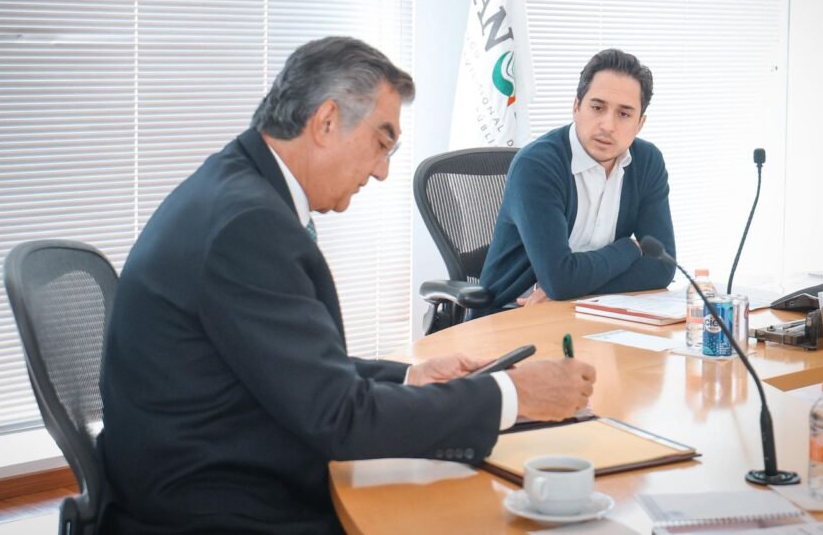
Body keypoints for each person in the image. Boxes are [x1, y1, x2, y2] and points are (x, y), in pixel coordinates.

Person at [99, 37, 597, 534]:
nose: (382, 171)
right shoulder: (248, 226)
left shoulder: (236, 189)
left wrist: (411, 377)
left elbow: (290, 366)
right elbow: (339, 417)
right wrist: (513, 393)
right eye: (381, 143)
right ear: (326, 121)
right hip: (218, 507)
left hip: (209, 464)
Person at [476, 48, 675, 319]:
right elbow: (559, 278)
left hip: (589, 312)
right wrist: (628, 249)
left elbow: (662, 268)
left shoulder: (647, 162)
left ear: (640, 123)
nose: (608, 125)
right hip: (512, 316)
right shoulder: (538, 165)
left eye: (624, 114)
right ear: (576, 107)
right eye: (597, 107)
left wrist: (574, 291)